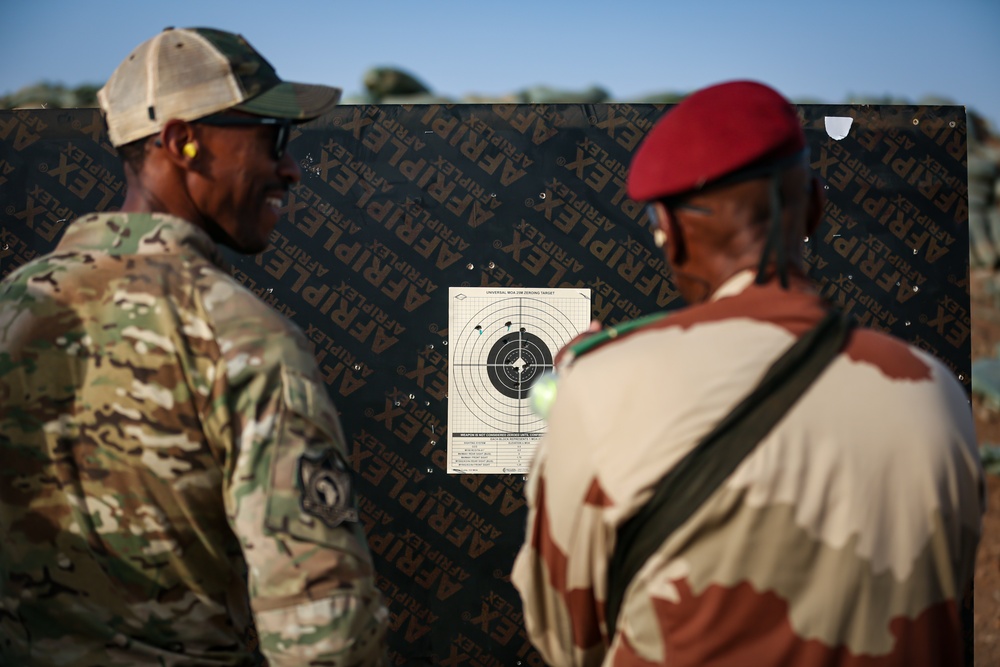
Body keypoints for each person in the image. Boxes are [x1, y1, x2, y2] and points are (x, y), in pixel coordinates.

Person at [512, 80, 984, 666]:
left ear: (671, 230)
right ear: (812, 205)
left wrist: (574, 401)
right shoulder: (935, 391)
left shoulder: (604, 385)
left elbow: (566, 638)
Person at [0, 27, 388, 666]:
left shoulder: (13, 308)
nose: (289, 168)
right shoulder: (237, 335)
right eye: (273, 139)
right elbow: (324, 633)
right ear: (182, 141)